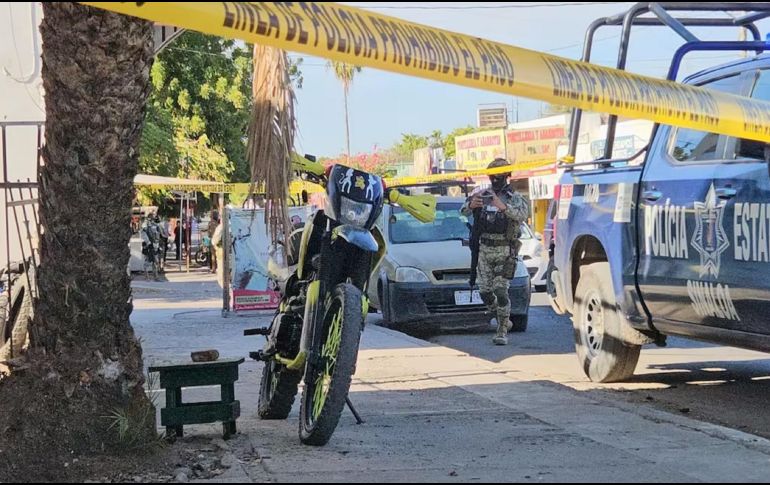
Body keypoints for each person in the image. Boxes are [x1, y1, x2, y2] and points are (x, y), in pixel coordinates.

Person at [462, 158, 529, 346]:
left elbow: (522, 215)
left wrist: (502, 206)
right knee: (484, 292)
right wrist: (472, 205)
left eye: (500, 175)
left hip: (504, 249)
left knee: (500, 290)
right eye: (493, 175)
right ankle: (503, 318)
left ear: (507, 175)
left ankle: (501, 331)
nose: (496, 179)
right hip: (484, 249)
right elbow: (463, 211)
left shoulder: (515, 197)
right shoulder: (482, 194)